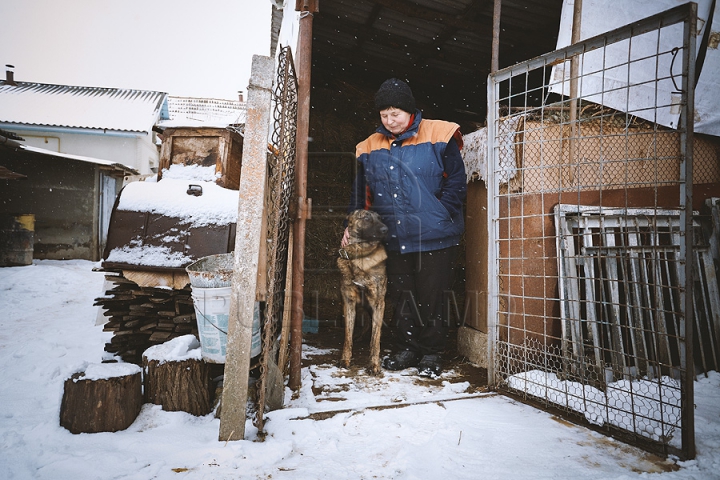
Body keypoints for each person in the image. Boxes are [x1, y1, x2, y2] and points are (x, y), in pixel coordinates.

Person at [341, 78, 466, 376]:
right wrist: (352, 223)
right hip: (393, 236)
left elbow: (456, 182)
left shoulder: (440, 134)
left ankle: (432, 354)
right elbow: (362, 192)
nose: (390, 121)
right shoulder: (369, 146)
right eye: (384, 115)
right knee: (401, 295)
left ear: (410, 111)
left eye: (395, 114)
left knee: (432, 295)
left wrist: (442, 213)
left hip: (435, 235)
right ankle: (407, 349)